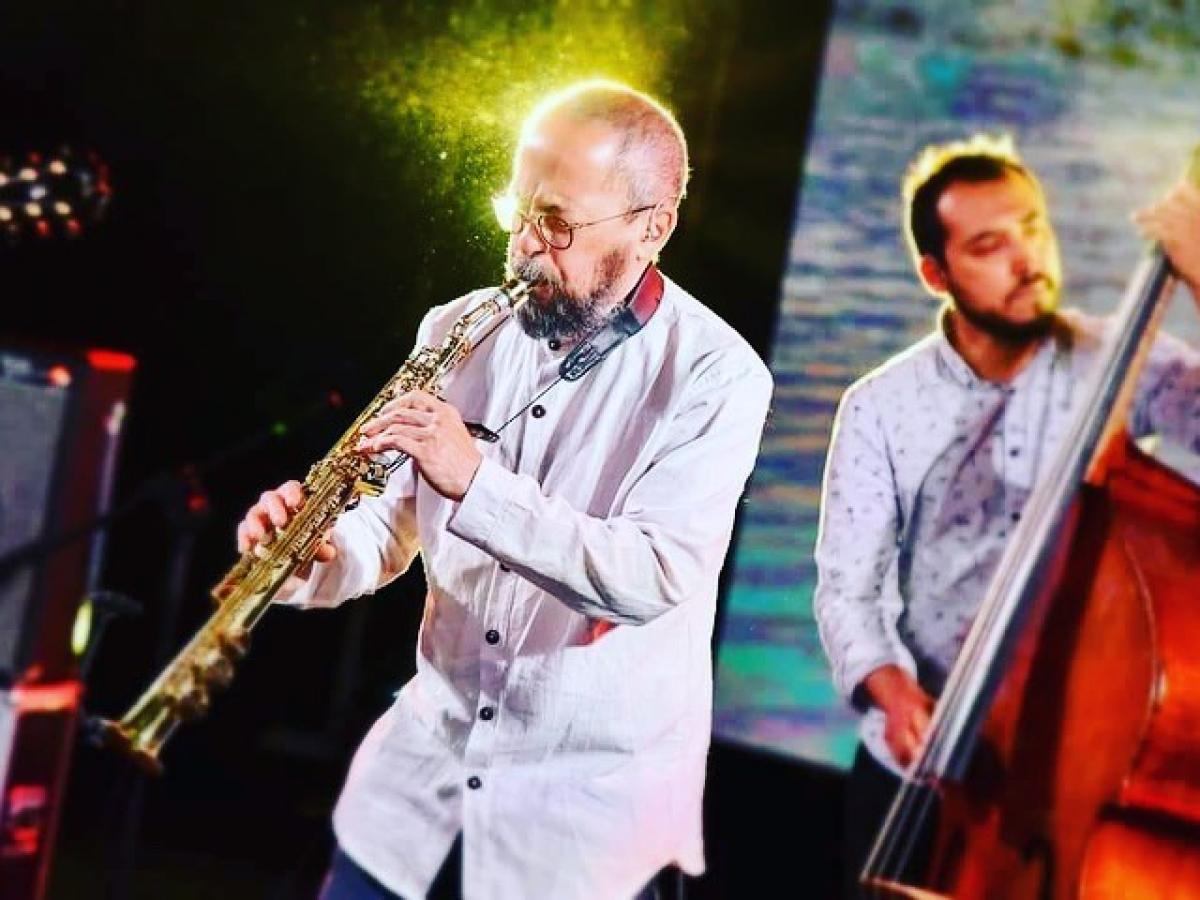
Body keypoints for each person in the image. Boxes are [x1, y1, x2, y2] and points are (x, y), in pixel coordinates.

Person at [236, 80, 773, 900]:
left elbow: (652, 575)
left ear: (652, 228)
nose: (524, 246)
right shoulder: (454, 328)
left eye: (556, 222)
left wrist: (477, 484)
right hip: (415, 797)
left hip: (581, 831)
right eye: (516, 210)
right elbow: (386, 528)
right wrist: (317, 553)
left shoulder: (718, 375)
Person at [812, 135, 1200, 895]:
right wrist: (891, 691)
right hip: (915, 773)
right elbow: (847, 592)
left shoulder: (1130, 359)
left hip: (1062, 779)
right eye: (990, 246)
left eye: (1033, 228)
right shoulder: (879, 406)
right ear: (936, 274)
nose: (1028, 261)